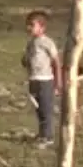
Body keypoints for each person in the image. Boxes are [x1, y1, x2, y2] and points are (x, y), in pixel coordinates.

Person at [22, 10, 61, 147]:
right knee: (38, 109)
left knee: (46, 109)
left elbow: (56, 61)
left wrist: (58, 83)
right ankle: (42, 133)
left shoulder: (47, 42)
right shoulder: (31, 43)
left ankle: (48, 137)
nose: (29, 28)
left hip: (45, 81)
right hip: (34, 80)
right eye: (28, 25)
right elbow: (27, 59)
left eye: (32, 25)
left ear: (42, 27)